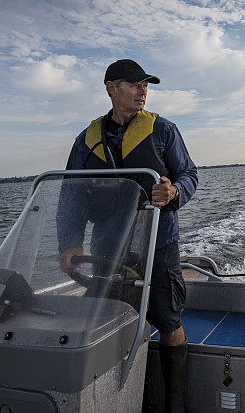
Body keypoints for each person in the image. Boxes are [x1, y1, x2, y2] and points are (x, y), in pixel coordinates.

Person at [58, 59, 197, 412]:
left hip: (157, 242)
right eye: (135, 84)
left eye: (146, 85)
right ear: (111, 88)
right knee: (105, 316)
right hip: (106, 246)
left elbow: (189, 174)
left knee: (168, 320)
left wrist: (174, 191)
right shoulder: (86, 140)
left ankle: (174, 405)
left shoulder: (164, 130)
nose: (143, 90)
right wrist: (69, 243)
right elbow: (71, 195)